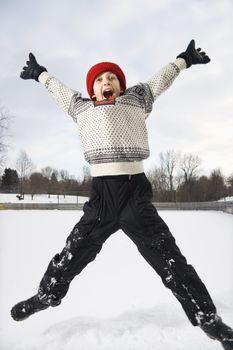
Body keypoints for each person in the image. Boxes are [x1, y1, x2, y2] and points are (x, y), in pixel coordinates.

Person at [11, 40, 233, 349]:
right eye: (100, 79)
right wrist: (40, 74)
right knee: (72, 254)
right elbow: (60, 91)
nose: (107, 82)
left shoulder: (136, 100)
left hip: (135, 196)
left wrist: (184, 59)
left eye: (112, 78)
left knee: (171, 261)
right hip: (101, 198)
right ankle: (44, 297)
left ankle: (210, 322)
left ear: (121, 86)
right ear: (92, 90)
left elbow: (159, 80)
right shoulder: (82, 107)